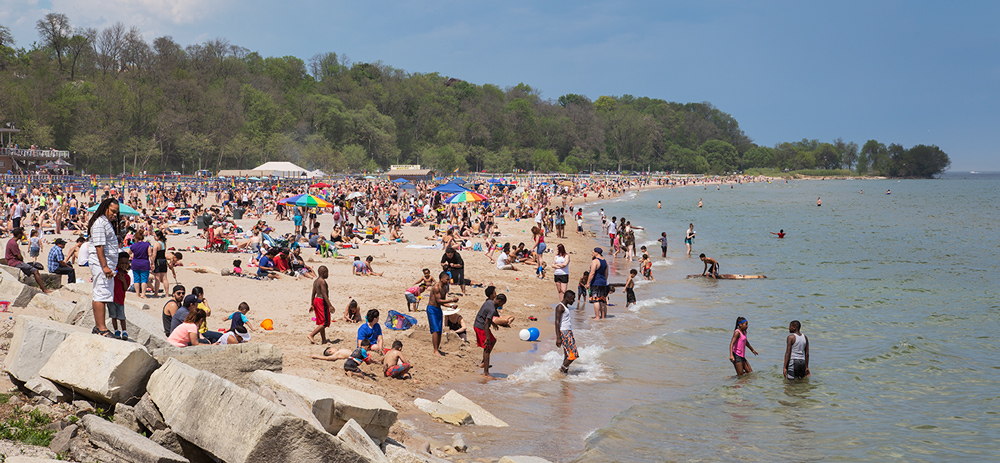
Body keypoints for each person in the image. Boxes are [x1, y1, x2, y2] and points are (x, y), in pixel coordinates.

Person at [88, 198, 120, 336]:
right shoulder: (100, 223)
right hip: (102, 265)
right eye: (112, 211)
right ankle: (101, 328)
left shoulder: (105, 222)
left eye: (116, 212)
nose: (114, 214)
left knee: (102, 295)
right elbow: (99, 246)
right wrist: (105, 266)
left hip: (106, 265)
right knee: (101, 295)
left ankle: (99, 326)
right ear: (105, 207)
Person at [5, 227, 52, 294]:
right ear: (19, 235)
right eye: (22, 234)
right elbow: (19, 256)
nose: (23, 235)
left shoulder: (11, 241)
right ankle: (44, 289)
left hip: (13, 261)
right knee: (35, 271)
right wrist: (21, 259)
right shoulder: (13, 243)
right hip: (14, 262)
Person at [474, 292, 505, 379]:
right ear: (499, 300)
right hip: (481, 327)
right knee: (487, 348)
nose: (501, 306)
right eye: (502, 304)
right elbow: (486, 324)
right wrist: (487, 338)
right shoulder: (492, 309)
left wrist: (494, 324)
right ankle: (486, 373)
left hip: (479, 324)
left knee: (493, 340)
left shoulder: (489, 301)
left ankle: (484, 362)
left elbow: (486, 317)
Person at [427, 271, 458, 356]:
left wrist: (451, 306)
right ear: (441, 279)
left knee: (440, 330)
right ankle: (435, 350)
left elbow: (442, 302)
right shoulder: (436, 287)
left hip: (438, 309)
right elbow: (438, 300)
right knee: (435, 329)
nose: (448, 281)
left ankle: (437, 348)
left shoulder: (445, 288)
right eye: (447, 279)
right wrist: (451, 300)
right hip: (432, 309)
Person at [308, 266, 334, 344]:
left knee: (321, 321)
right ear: (323, 273)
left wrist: (312, 304)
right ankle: (312, 334)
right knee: (325, 322)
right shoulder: (322, 282)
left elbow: (313, 294)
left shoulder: (316, 281)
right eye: (327, 273)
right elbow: (324, 294)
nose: (328, 274)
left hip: (316, 300)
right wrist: (330, 305)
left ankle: (324, 340)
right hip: (321, 301)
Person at [554, 290, 578, 374]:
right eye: (572, 299)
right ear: (567, 298)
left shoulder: (565, 306)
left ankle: (564, 374)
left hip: (568, 331)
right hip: (564, 332)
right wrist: (558, 338)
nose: (573, 301)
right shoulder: (560, 307)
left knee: (567, 355)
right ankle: (561, 371)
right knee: (573, 355)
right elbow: (557, 322)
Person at [108, 252, 131, 340]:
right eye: (122, 263)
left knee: (122, 317)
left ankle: (124, 331)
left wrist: (123, 281)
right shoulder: (114, 273)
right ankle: (116, 330)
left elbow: (125, 288)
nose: (124, 265)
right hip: (111, 298)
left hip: (120, 300)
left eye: (126, 263)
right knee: (113, 316)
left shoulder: (127, 277)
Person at [585, 247, 609, 319]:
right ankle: (603, 316)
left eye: (593, 252)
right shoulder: (605, 261)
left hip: (595, 282)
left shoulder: (595, 261)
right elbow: (606, 273)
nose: (592, 254)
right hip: (603, 282)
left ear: (597, 253)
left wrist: (588, 283)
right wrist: (604, 281)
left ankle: (597, 316)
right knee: (602, 299)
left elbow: (592, 273)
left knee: (596, 300)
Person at [129, 228, 152, 299]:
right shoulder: (147, 244)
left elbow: (129, 253)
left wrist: (132, 256)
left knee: (136, 279)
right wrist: (153, 263)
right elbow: (150, 254)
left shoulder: (133, 246)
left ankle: (137, 294)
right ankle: (143, 294)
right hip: (144, 262)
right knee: (144, 279)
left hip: (135, 262)